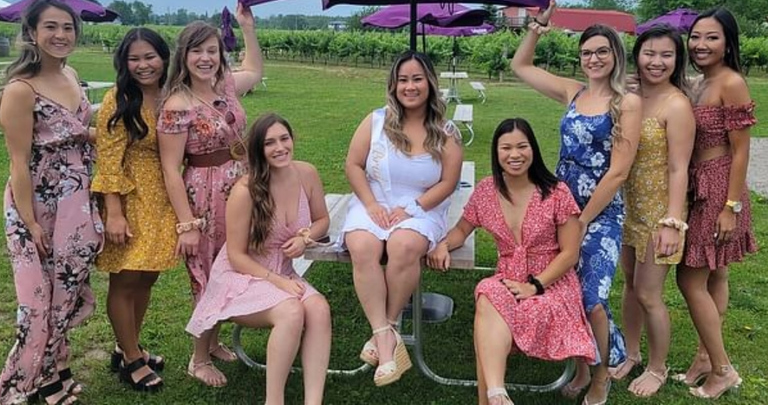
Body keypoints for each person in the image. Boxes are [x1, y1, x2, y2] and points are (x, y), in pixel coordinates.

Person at [510, 0, 641, 405]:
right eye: (587, 52)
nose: (594, 58)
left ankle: (601, 376)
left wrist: (584, 219)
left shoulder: (626, 103)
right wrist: (537, 27)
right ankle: (584, 365)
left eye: (602, 50)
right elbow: (522, 67)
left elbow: (618, 171)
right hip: (562, 207)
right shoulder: (573, 92)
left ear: (615, 55)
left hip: (598, 215)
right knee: (565, 289)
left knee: (591, 297)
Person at [427, 118, 597, 405]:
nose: (514, 155)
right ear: (496, 152)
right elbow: (461, 230)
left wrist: (535, 286)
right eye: (506, 148)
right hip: (507, 277)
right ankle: (496, 394)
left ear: (533, 149)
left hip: (552, 282)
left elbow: (570, 253)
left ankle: (489, 399)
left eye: (522, 146)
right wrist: (443, 244)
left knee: (488, 309)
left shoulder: (556, 192)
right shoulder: (486, 190)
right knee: (488, 293)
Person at [187, 113, 332, 403]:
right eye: (269, 143)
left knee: (319, 309)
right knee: (291, 311)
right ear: (257, 149)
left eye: (284, 139)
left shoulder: (307, 173)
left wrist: (305, 238)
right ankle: (273, 400)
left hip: (283, 273)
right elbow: (236, 256)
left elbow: (322, 220)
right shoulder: (246, 190)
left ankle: (313, 401)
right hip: (242, 275)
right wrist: (277, 281)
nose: (280, 147)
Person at [0, 0, 103, 405]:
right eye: (51, 28)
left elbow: (75, 132)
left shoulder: (73, 74)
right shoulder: (20, 90)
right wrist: (31, 223)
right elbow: (19, 164)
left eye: (68, 27)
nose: (61, 35)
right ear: (31, 33)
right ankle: (22, 382)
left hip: (77, 201)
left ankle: (54, 369)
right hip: (37, 205)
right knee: (36, 303)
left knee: (66, 291)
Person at [340, 50, 463, 386]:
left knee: (404, 244)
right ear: (393, 85)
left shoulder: (446, 131)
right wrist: (370, 204)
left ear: (430, 83)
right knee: (361, 245)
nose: (410, 86)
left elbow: (449, 182)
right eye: (403, 79)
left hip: (423, 207)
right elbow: (353, 165)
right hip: (374, 203)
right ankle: (385, 337)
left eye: (417, 79)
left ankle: (387, 327)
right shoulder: (376, 121)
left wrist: (412, 208)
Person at [157, 4, 263, 387]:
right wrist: (187, 225)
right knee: (208, 274)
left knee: (231, 264)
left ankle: (214, 341)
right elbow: (171, 168)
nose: (205, 58)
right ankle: (198, 359)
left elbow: (256, 69)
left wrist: (247, 28)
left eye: (212, 51)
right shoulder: (177, 104)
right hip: (204, 194)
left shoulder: (226, 86)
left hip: (239, 187)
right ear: (184, 56)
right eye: (197, 51)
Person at [610, 25, 695, 397]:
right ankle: (630, 353)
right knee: (629, 285)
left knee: (649, 293)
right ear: (637, 55)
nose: (656, 62)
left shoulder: (676, 105)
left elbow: (680, 167)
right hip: (630, 206)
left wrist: (673, 222)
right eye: (649, 53)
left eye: (666, 55)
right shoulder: (631, 95)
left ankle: (658, 367)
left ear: (677, 60)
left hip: (661, 212)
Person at [675, 7, 756, 399]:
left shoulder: (731, 82)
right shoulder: (698, 81)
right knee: (716, 275)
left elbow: (741, 152)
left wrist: (731, 206)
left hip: (721, 189)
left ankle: (722, 369)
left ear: (728, 43)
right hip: (698, 185)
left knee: (690, 278)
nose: (701, 44)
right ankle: (704, 358)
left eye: (712, 37)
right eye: (696, 36)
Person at [92, 28, 176, 393]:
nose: (143, 65)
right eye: (134, 58)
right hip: (129, 197)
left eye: (150, 56)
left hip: (164, 198)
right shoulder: (119, 99)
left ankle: (129, 344)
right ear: (124, 63)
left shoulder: (173, 94)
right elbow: (108, 159)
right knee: (126, 278)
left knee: (148, 276)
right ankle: (130, 359)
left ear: (163, 57)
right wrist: (113, 211)